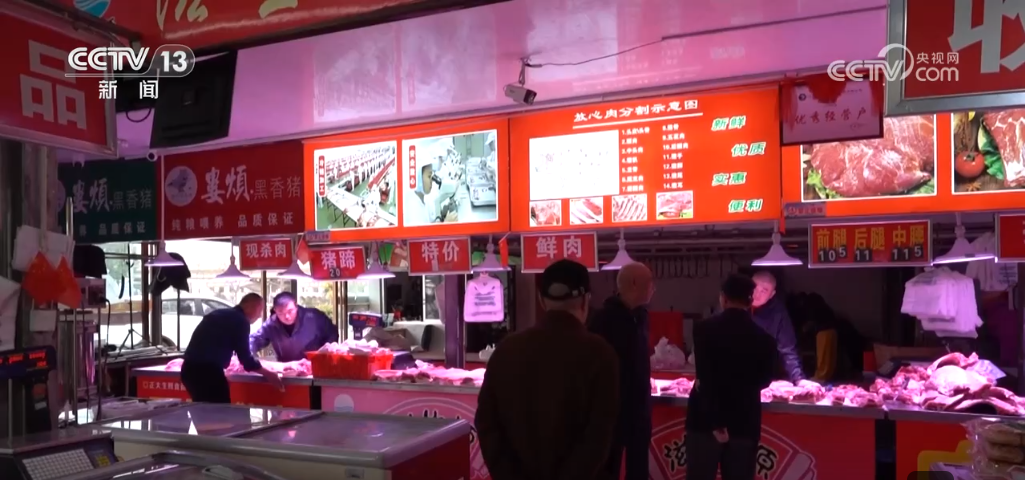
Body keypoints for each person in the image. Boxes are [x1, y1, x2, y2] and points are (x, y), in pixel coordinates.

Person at [476, 259, 620, 480]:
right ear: (585, 301)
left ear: (541, 300)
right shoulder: (600, 353)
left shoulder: (506, 350)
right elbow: (599, 437)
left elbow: (487, 423)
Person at [686, 274, 778, 480]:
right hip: (743, 422)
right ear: (750, 300)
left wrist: (717, 424)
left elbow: (705, 379)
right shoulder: (765, 339)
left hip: (704, 422)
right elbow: (765, 380)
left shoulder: (703, 330)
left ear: (723, 298)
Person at [588, 262, 655, 480]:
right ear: (634, 284)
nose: (653, 288)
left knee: (639, 471)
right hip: (611, 414)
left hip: (639, 414)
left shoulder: (641, 317)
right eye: (650, 282)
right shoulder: (603, 320)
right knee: (608, 470)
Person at [181, 293, 284, 403]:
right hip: (206, 374)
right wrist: (268, 374)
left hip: (188, 370)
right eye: (260, 310)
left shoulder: (219, 313)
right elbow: (246, 359)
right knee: (220, 411)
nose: (259, 315)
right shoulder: (241, 321)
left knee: (203, 410)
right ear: (250, 306)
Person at [250, 292, 339, 362]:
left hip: (315, 368)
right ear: (275, 310)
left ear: (296, 306)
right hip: (287, 372)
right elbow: (254, 340)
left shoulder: (314, 317)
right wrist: (249, 357)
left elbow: (332, 333)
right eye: (281, 313)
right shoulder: (271, 324)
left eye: (290, 311)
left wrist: (326, 353)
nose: (287, 316)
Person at [751, 271, 805, 383]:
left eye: (764, 291)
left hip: (763, 374)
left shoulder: (778, 312)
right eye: (754, 288)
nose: (757, 294)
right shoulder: (733, 304)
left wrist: (799, 379)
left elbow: (788, 349)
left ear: (772, 294)